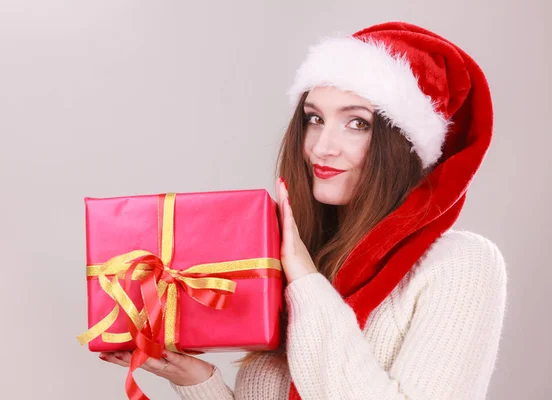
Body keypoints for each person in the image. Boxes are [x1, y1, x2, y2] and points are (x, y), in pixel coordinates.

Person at [99, 21, 507, 400]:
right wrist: (198, 382)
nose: (321, 146)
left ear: (405, 145)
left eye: (357, 124)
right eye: (315, 118)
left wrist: (305, 279)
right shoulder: (294, 258)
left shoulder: (461, 264)